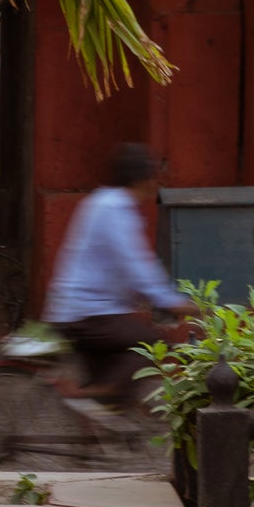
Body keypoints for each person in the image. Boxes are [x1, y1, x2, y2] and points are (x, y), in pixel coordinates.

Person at [43, 143, 191, 407]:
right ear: (142, 179)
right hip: (88, 314)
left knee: (110, 393)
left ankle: (98, 407)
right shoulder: (117, 210)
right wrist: (170, 301)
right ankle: (101, 393)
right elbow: (136, 265)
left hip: (76, 308)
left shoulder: (100, 201)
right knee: (152, 344)